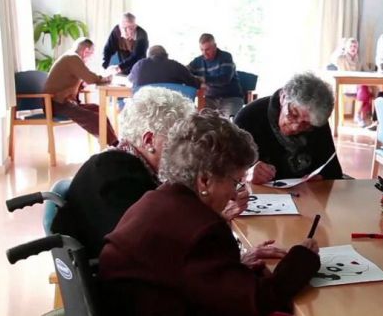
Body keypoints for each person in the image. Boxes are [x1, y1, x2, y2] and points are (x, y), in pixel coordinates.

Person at [99, 110, 320, 315]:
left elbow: (183, 273)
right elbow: (257, 301)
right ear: (204, 180)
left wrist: (235, 265)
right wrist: (302, 259)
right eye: (235, 182)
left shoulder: (154, 199)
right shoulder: (202, 230)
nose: (235, 194)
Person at [51, 87, 195, 257]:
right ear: (149, 141)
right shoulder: (121, 179)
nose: (188, 151)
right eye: (180, 141)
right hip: (113, 277)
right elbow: (157, 247)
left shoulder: (111, 163)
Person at [235, 72, 343, 184]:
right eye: (293, 114)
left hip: (303, 195)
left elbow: (333, 171)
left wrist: (321, 179)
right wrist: (247, 174)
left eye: (306, 124)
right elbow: (225, 173)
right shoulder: (248, 117)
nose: (296, 126)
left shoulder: (316, 121)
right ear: (283, 97)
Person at [43, 37, 116, 145]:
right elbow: (90, 77)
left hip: (65, 102)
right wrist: (104, 78)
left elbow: (71, 81)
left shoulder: (71, 57)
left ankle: (111, 143)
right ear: (86, 51)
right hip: (56, 104)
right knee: (94, 118)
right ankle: (114, 145)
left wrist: (82, 85)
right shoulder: (72, 58)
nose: (91, 57)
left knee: (99, 111)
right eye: (91, 53)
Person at [187, 33, 244, 117]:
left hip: (231, 98)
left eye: (207, 49)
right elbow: (185, 71)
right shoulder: (197, 61)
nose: (204, 53)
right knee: (200, 119)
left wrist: (202, 79)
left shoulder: (226, 57)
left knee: (230, 122)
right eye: (202, 50)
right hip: (210, 99)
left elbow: (224, 79)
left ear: (215, 46)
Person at [334, 37, 374, 127]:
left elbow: (367, 72)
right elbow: (332, 59)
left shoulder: (360, 59)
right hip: (346, 86)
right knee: (364, 89)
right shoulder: (341, 58)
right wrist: (340, 47)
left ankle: (359, 116)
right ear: (346, 48)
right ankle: (359, 116)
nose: (353, 48)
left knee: (367, 89)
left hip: (358, 87)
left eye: (355, 46)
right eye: (351, 46)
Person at [128, 45, 201, 90]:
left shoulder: (139, 66)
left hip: (144, 110)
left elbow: (130, 80)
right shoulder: (176, 66)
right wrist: (201, 80)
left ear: (148, 56)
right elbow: (195, 83)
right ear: (166, 56)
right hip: (172, 110)